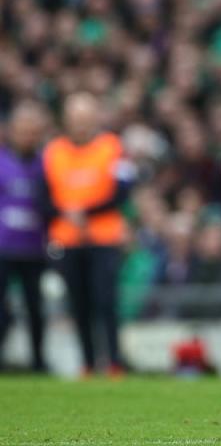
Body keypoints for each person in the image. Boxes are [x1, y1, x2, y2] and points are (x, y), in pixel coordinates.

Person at [44, 92, 135, 376]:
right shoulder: (54, 151)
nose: (81, 124)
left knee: (106, 301)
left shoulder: (112, 147)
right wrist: (65, 213)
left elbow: (123, 190)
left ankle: (114, 362)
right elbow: (43, 196)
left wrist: (86, 212)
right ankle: (87, 362)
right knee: (79, 303)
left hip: (104, 238)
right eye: (75, 118)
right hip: (68, 240)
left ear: (96, 117)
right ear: (66, 120)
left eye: (85, 118)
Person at [0, 101, 51, 372]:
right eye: (23, 130)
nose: (28, 136)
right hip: (4, 247)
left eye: (33, 131)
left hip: (34, 248)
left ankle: (38, 361)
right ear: (12, 131)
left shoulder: (47, 164)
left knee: (36, 308)